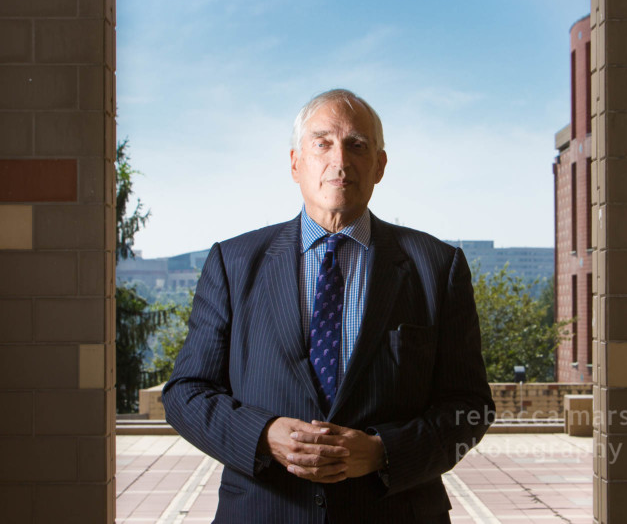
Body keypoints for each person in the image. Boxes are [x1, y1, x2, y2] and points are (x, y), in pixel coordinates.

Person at [162, 88, 495, 523]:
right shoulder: (233, 262)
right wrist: (263, 436)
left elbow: (469, 406)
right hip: (264, 511)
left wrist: (383, 452)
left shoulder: (437, 267)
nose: (340, 160)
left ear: (380, 165)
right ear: (296, 163)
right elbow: (185, 393)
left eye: (357, 144)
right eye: (322, 143)